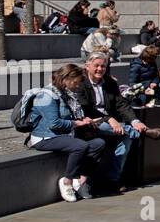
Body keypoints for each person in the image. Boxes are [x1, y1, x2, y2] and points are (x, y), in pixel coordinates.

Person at [73, 52, 160, 191]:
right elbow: (86, 108)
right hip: (89, 122)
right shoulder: (80, 83)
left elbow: (121, 104)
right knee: (123, 131)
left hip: (110, 123)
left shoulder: (109, 82)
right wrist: (109, 119)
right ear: (87, 66)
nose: (100, 69)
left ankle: (112, 179)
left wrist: (135, 121)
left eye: (103, 66)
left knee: (126, 138)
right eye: (96, 66)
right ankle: (143, 132)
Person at [24, 64, 107, 202]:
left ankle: (81, 180)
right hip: (44, 137)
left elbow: (67, 116)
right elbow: (54, 123)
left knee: (98, 143)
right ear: (66, 79)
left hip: (63, 135)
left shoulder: (64, 94)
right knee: (80, 146)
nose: (78, 86)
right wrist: (76, 123)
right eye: (76, 82)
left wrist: (82, 119)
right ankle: (67, 181)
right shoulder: (46, 96)